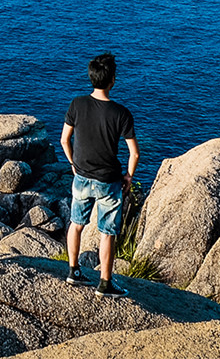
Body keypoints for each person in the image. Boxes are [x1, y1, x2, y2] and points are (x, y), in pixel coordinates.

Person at [60, 52, 139, 298]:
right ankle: (105, 284)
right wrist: (128, 176)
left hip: (81, 176)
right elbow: (134, 153)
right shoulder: (121, 113)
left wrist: (74, 163)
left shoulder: (77, 104)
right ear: (112, 80)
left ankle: (73, 272)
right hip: (109, 181)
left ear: (91, 77)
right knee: (107, 232)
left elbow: (64, 140)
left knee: (76, 224)